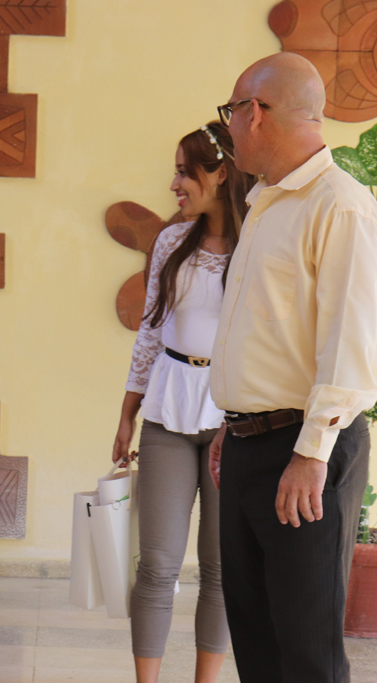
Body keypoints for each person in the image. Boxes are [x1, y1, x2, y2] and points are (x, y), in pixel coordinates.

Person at [206, 53, 377, 683]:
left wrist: (312, 454)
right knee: (257, 640)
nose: (228, 129)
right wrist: (232, 427)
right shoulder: (266, 202)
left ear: (253, 113)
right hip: (249, 445)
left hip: (303, 451)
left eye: (230, 114)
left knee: (307, 651)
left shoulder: (341, 205)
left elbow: (354, 343)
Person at [113, 123, 255, 683]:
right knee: (157, 567)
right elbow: (149, 333)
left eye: (184, 170)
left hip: (234, 420)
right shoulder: (172, 242)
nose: (174, 183)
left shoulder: (256, 247)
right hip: (168, 413)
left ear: (220, 173)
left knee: (222, 571)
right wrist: (126, 412)